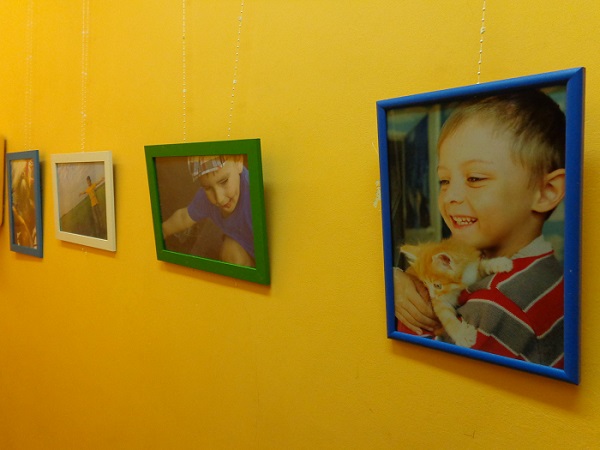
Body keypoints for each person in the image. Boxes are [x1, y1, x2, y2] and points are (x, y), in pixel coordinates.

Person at [394, 90, 566, 368]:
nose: (450, 196)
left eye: (474, 178)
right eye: (444, 181)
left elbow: (424, 374)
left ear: (546, 191)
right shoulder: (546, 269)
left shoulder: (494, 307)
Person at [162, 154, 255, 267]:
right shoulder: (205, 198)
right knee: (231, 254)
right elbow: (183, 217)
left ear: (238, 162)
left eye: (224, 181)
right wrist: (163, 231)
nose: (219, 199)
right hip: (245, 244)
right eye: (208, 188)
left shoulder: (254, 195)